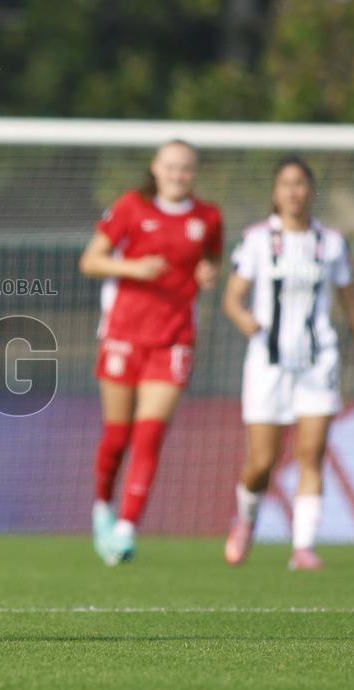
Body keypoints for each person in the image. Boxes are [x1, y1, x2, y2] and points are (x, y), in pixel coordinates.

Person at [222, 155, 354, 570]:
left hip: (317, 361)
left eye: (300, 183)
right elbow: (232, 298)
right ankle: (246, 519)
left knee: (311, 453)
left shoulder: (330, 242)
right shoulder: (257, 239)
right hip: (268, 363)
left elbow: (353, 306)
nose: (293, 191)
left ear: (312, 191)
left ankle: (303, 546)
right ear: (275, 193)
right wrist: (247, 321)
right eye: (285, 184)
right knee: (262, 462)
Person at [79, 140, 223, 565]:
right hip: (124, 334)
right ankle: (102, 506)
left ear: (193, 173)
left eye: (186, 168)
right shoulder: (131, 207)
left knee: (150, 433)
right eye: (171, 166)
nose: (178, 174)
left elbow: (212, 260)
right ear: (156, 169)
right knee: (117, 437)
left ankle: (127, 526)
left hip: (174, 339)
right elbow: (91, 261)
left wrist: (210, 273)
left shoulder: (208, 217)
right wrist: (132, 268)